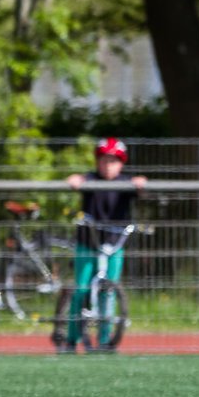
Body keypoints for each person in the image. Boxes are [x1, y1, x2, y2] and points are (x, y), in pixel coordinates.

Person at [58, 137, 147, 354]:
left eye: (113, 161)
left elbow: (140, 187)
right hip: (88, 244)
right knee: (81, 290)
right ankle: (72, 339)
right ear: (97, 161)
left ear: (121, 163)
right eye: (104, 161)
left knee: (109, 290)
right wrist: (75, 180)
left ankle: (105, 339)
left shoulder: (125, 183)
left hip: (114, 245)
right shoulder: (90, 179)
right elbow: (76, 179)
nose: (108, 166)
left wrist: (140, 183)